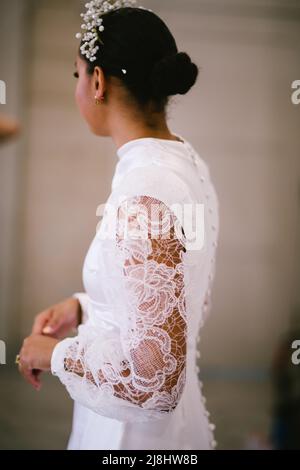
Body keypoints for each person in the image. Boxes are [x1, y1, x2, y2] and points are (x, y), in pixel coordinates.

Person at [17, 1, 220, 450]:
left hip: (132, 440)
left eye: (77, 75)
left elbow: (155, 381)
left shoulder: (145, 192)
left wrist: (55, 354)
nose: (77, 89)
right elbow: (181, 304)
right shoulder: (189, 166)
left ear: (98, 82)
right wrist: (85, 308)